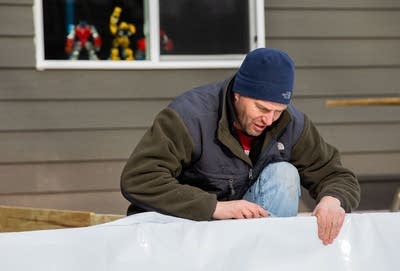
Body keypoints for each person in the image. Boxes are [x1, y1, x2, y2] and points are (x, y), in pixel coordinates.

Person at [120, 48, 361, 245]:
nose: (269, 120)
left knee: (283, 175)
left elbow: (337, 175)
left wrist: (333, 199)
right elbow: (140, 179)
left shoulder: (291, 124)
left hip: (238, 236)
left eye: (278, 111)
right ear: (238, 93)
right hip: (183, 230)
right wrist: (214, 207)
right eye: (262, 108)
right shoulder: (190, 116)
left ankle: (266, 261)